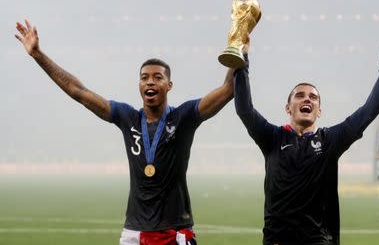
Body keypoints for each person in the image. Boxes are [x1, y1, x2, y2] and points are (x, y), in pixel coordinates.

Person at [15, 19, 235, 245]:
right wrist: (38, 55)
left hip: (176, 233)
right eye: (144, 77)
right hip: (134, 233)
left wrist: (240, 48)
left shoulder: (183, 116)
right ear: (139, 85)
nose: (150, 82)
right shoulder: (127, 117)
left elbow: (228, 90)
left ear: (169, 85)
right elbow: (78, 92)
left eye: (158, 77)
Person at [234, 35, 379, 245]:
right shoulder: (273, 137)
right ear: (288, 108)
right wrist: (242, 59)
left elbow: (368, 111)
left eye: (313, 97)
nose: (307, 99)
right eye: (300, 95)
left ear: (319, 111)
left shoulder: (330, 140)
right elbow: (244, 110)